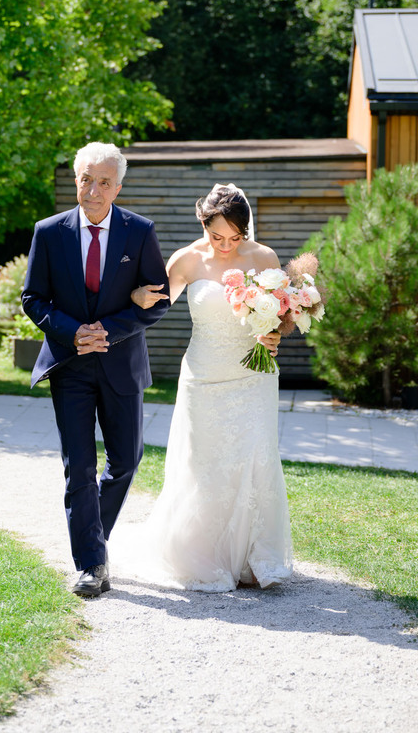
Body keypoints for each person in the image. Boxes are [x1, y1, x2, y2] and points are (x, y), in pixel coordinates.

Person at [22, 142, 170, 598]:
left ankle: (92, 539)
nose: (94, 188)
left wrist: (105, 329)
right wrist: (73, 333)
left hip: (122, 363)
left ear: (118, 187)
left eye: (104, 181)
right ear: (76, 180)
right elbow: (33, 299)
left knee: (126, 460)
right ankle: (91, 564)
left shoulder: (139, 232)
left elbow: (157, 298)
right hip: (69, 365)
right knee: (80, 468)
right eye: (87, 178)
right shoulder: (48, 232)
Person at [128, 182, 293, 591]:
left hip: (253, 377)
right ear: (203, 225)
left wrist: (275, 334)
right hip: (203, 376)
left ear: (246, 230)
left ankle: (253, 557)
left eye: (235, 237)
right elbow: (154, 303)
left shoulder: (264, 257)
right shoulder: (186, 260)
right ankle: (205, 555)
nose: (226, 245)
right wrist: (135, 294)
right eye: (217, 236)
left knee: (255, 459)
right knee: (205, 463)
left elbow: (280, 317)